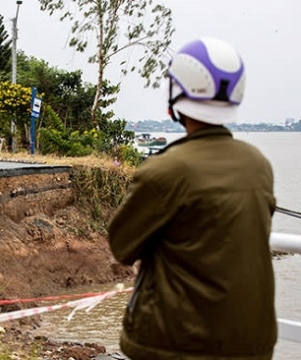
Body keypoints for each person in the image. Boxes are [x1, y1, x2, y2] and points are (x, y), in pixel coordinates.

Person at [108, 37, 277, 360]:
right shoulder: (258, 165)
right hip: (253, 344)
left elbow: (122, 246)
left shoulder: (165, 170)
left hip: (176, 344)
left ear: (178, 93)